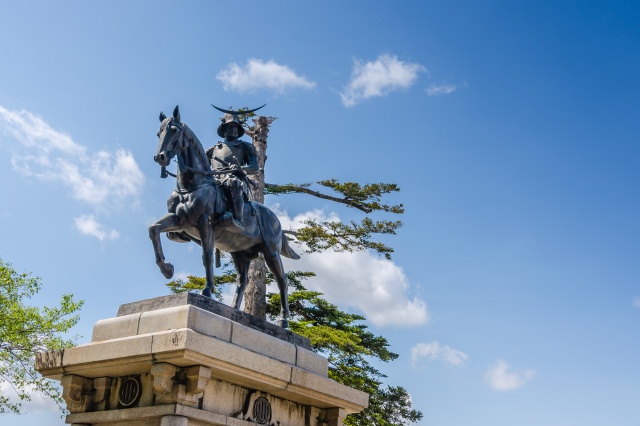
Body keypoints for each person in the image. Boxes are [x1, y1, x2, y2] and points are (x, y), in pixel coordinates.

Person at [206, 113, 258, 232]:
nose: (234, 129)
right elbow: (202, 164)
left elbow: (254, 168)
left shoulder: (245, 146)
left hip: (234, 179)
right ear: (224, 129)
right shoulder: (213, 149)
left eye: (236, 127)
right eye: (231, 126)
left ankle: (238, 219)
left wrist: (240, 168)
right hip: (215, 179)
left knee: (233, 183)